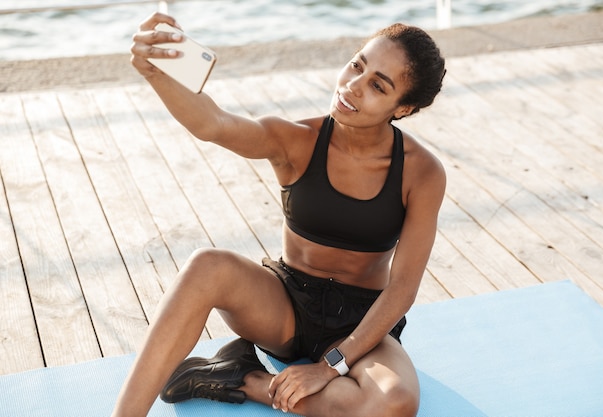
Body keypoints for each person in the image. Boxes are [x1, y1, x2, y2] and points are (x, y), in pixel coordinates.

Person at [112, 11, 446, 417]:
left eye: (378, 85)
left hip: (362, 326)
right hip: (283, 308)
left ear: (404, 107)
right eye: (357, 64)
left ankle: (245, 378)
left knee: (393, 403)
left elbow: (402, 289)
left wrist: (329, 367)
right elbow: (214, 123)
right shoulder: (296, 140)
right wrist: (156, 73)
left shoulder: (422, 172)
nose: (354, 86)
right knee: (206, 266)